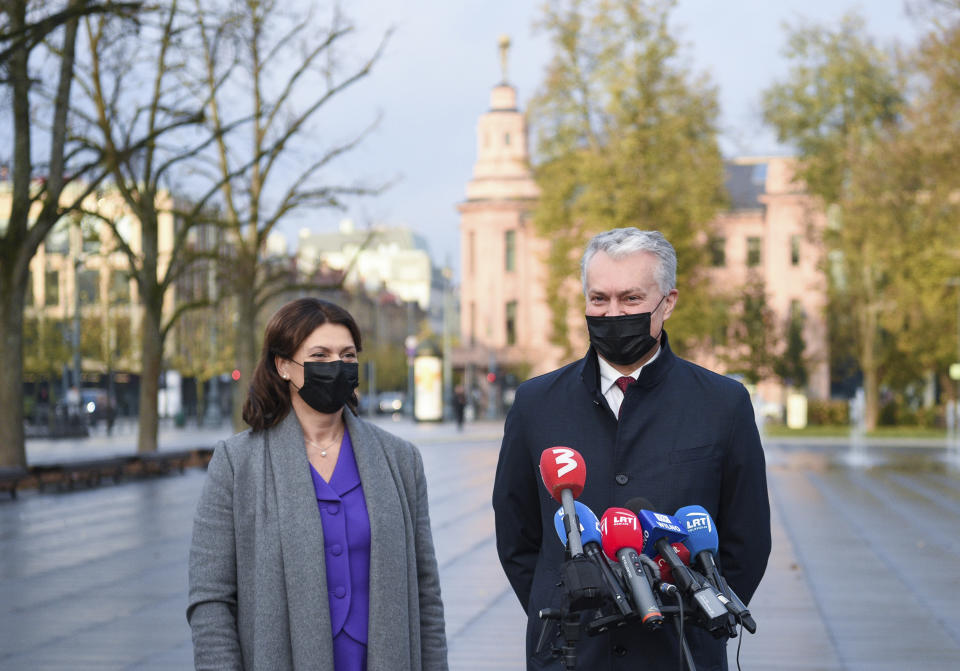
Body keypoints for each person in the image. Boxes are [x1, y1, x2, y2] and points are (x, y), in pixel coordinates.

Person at [492, 228, 771, 671]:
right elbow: (517, 534)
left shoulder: (723, 404)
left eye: (631, 299)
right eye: (598, 299)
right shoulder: (536, 403)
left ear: (669, 301)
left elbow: (747, 539)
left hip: (680, 653)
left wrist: (696, 615)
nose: (612, 312)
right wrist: (561, 608)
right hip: (569, 655)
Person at [188, 298, 448, 671]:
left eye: (347, 356)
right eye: (320, 355)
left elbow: (426, 592)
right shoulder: (236, 464)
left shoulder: (400, 460)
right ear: (283, 366)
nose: (337, 367)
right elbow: (210, 599)